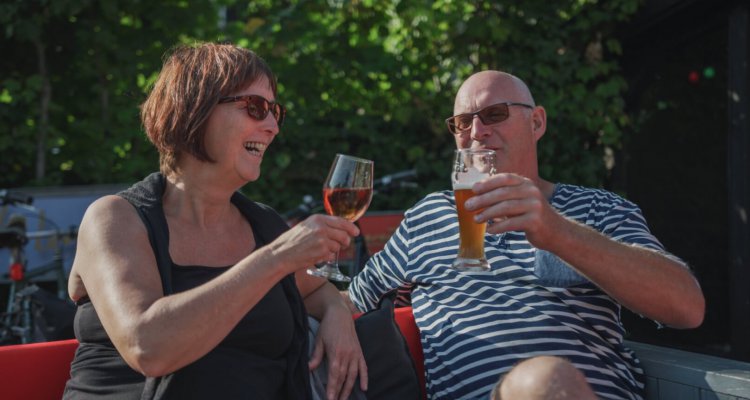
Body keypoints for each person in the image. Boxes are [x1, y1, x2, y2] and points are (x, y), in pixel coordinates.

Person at [347, 70, 705, 399]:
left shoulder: (599, 208)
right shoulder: (428, 218)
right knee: (542, 380)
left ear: (536, 122)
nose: (476, 132)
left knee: (546, 380)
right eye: (462, 123)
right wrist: (333, 313)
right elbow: (351, 300)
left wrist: (555, 230)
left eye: (495, 114)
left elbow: (686, 307)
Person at [63, 42, 367, 400]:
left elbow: (316, 289)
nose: (272, 126)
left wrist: (337, 314)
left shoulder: (263, 225)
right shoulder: (116, 219)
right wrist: (276, 259)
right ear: (194, 110)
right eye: (255, 108)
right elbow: (147, 347)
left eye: (275, 112)